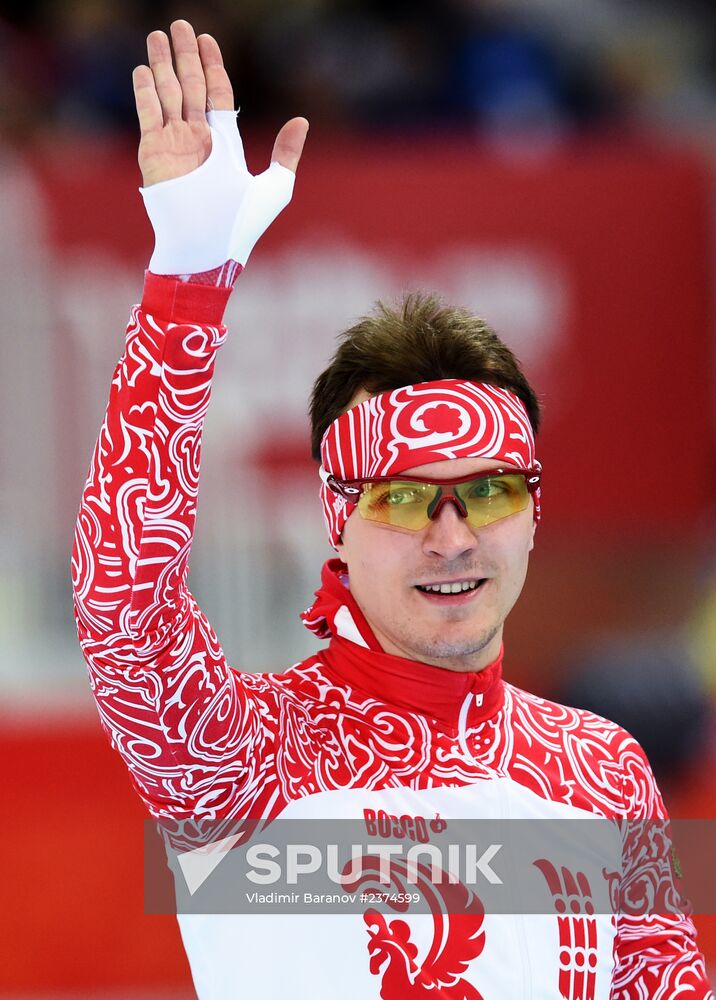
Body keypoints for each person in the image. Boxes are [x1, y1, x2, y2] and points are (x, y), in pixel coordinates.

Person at [72, 19, 713, 1000]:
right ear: (337, 520)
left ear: (532, 512)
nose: (451, 535)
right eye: (406, 498)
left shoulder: (597, 770)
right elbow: (123, 603)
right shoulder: (243, 755)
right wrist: (187, 285)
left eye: (488, 491)